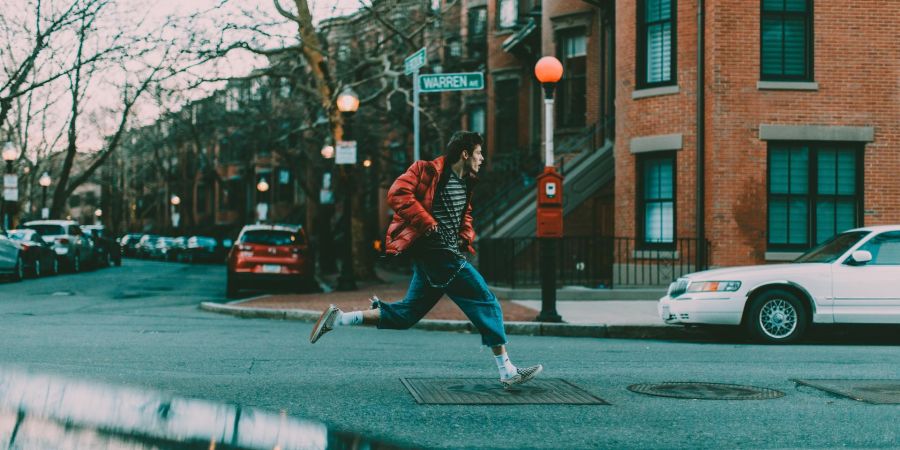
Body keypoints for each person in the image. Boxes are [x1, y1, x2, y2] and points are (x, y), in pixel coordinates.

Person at [309, 131, 542, 389]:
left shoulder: (466, 181)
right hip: (440, 255)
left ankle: (340, 318)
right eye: (478, 152)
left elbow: (463, 213)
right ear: (465, 153)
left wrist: (465, 234)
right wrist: (427, 222)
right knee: (486, 302)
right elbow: (398, 193)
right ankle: (507, 370)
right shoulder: (426, 171)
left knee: (407, 315)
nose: (482, 158)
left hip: (435, 259)